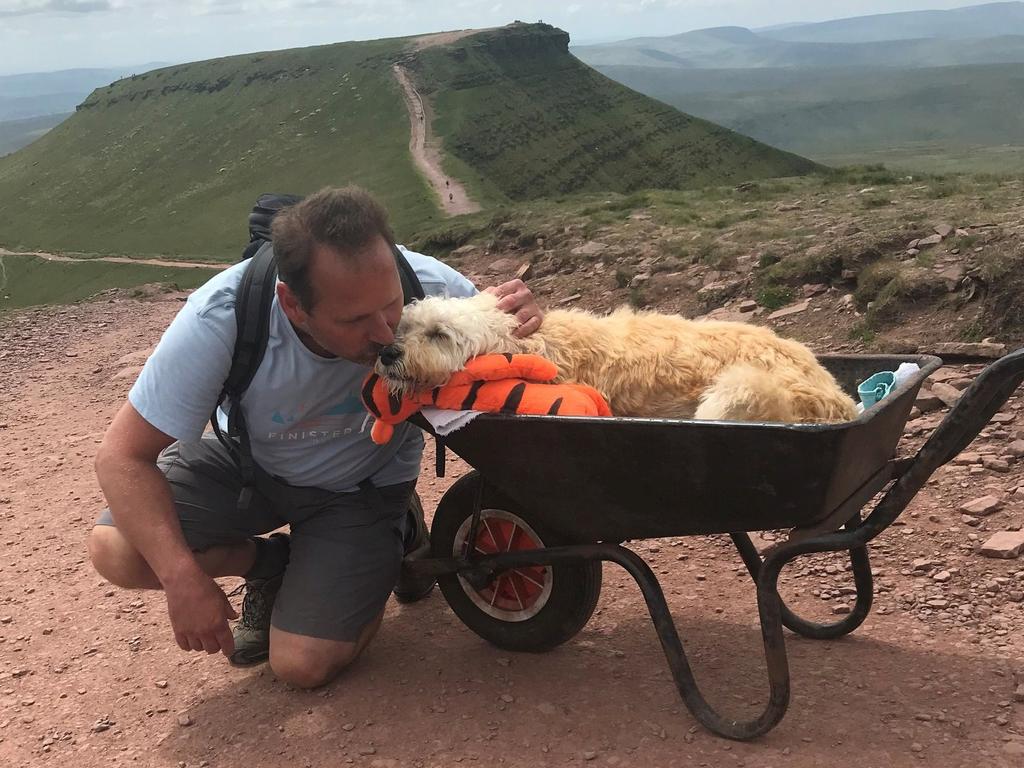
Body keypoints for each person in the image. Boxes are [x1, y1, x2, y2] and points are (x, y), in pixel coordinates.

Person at [87, 186, 543, 688]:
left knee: (301, 666)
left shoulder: (430, 282)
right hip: (250, 471)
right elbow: (122, 458)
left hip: (361, 488)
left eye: (391, 306)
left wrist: (524, 319)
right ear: (294, 304)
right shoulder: (222, 315)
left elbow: (522, 365)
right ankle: (271, 564)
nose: (385, 334)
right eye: (353, 320)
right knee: (118, 550)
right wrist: (180, 577)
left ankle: (394, 531)